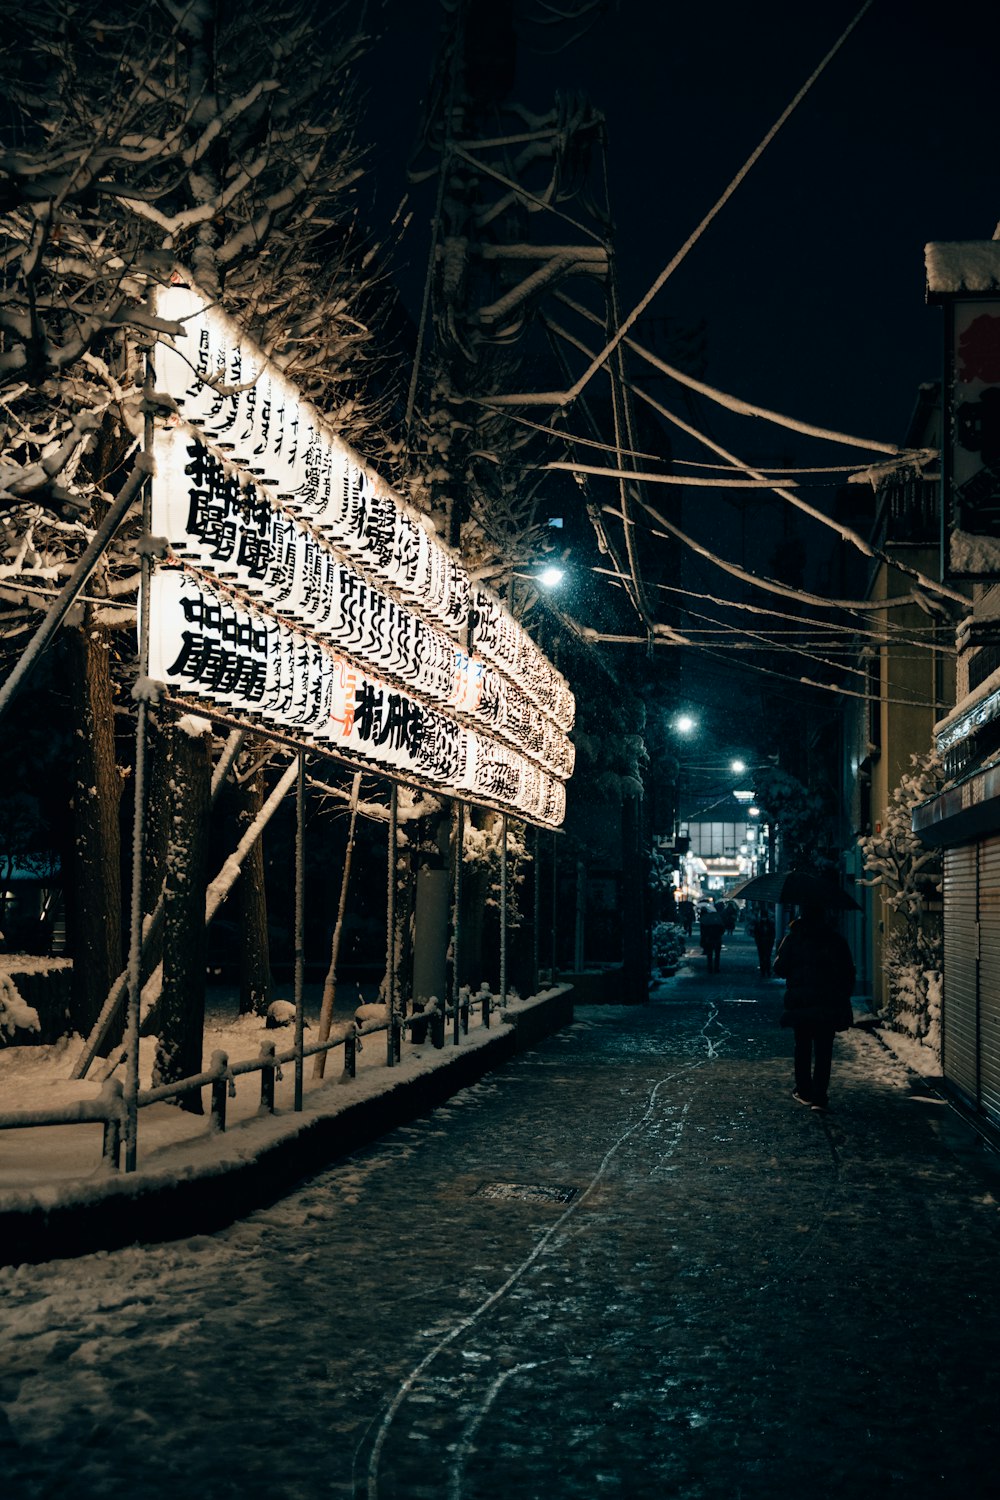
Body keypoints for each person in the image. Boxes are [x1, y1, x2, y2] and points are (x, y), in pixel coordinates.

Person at [772, 903, 855, 1112]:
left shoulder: (793, 938)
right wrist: (842, 995)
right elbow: (847, 971)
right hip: (827, 1003)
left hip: (801, 1003)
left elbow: (780, 968)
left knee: (802, 1047)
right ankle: (819, 1096)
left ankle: (804, 1090)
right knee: (824, 1049)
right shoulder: (836, 940)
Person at [698, 900, 725, 973]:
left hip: (709, 939)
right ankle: (716, 968)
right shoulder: (718, 919)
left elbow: (703, 931)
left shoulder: (706, 920)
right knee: (717, 955)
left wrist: (704, 937)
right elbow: (722, 929)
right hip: (717, 938)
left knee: (710, 954)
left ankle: (709, 968)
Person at [750, 903, 776, 978]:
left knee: (767, 956)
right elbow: (756, 934)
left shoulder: (768, 924)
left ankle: (767, 970)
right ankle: (763, 971)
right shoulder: (760, 924)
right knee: (762, 956)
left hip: (767, 942)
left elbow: (772, 934)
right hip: (761, 942)